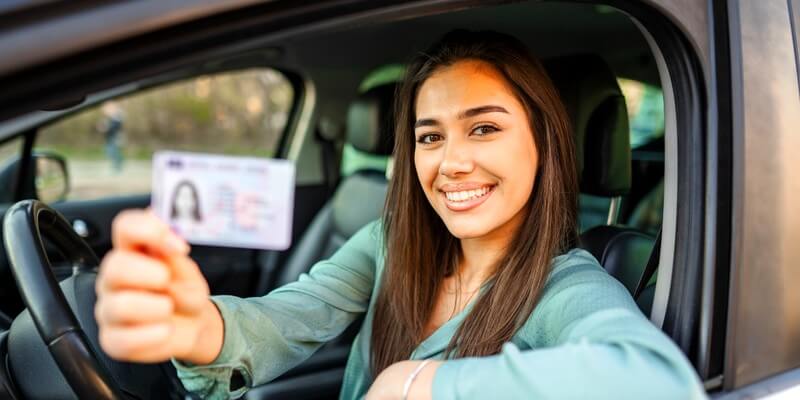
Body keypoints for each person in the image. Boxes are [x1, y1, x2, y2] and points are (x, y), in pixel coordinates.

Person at [94, 30, 707, 399]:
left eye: (485, 128)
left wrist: (420, 385)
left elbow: (655, 382)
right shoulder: (388, 241)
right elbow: (292, 315)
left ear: (544, 143)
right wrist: (197, 330)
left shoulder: (567, 286)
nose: (452, 163)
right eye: (430, 137)